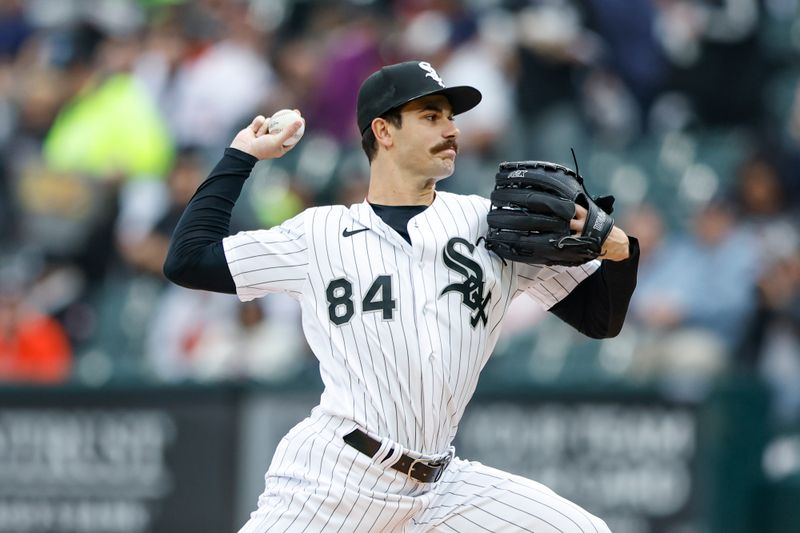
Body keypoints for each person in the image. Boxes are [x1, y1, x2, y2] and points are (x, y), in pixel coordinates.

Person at [164, 60, 638, 532]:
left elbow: (600, 319)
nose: (451, 129)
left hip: (441, 489)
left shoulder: (489, 225)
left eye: (451, 117)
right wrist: (241, 154)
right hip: (334, 480)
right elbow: (187, 259)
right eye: (431, 116)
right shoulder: (318, 235)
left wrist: (619, 250)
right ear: (383, 131)